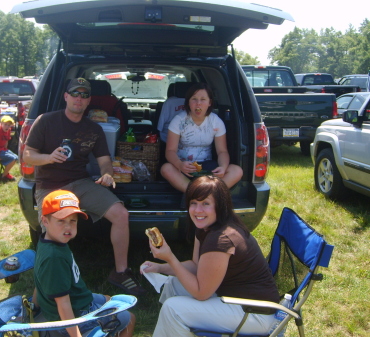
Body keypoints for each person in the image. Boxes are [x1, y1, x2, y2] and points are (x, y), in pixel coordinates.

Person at [23, 77, 146, 296]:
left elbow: (104, 161)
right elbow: (28, 156)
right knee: (55, 228)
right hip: (50, 186)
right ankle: (48, 284)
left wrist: (107, 175)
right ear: (66, 96)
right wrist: (49, 158)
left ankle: (120, 271)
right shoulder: (46, 121)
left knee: (121, 214)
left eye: (84, 95)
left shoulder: (94, 129)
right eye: (75, 93)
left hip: (81, 182)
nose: (79, 98)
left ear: (89, 100)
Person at [142, 175, 280, 336]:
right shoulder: (207, 225)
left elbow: (202, 293)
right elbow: (195, 265)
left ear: (219, 206)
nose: (198, 210)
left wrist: (170, 258)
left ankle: (173, 326)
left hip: (256, 314)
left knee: (173, 309)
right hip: (236, 299)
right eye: (193, 203)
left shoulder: (221, 239)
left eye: (205, 204)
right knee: (174, 283)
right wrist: (160, 267)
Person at [34, 190, 136, 337]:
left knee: (108, 298)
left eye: (73, 220)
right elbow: (63, 304)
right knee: (129, 318)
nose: (67, 227)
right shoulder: (54, 257)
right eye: (61, 221)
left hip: (79, 298)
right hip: (75, 314)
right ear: (45, 221)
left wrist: (34, 306)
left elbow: (39, 279)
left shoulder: (50, 240)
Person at [160, 83, 243, 192]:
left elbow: (222, 151)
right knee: (166, 169)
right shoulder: (178, 120)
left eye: (203, 99)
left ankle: (201, 193)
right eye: (194, 99)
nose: (198, 103)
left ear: (210, 103)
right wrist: (179, 165)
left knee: (237, 170)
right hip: (184, 168)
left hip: (208, 167)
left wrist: (222, 167)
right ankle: (204, 193)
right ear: (188, 102)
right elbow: (170, 151)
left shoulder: (216, 121)